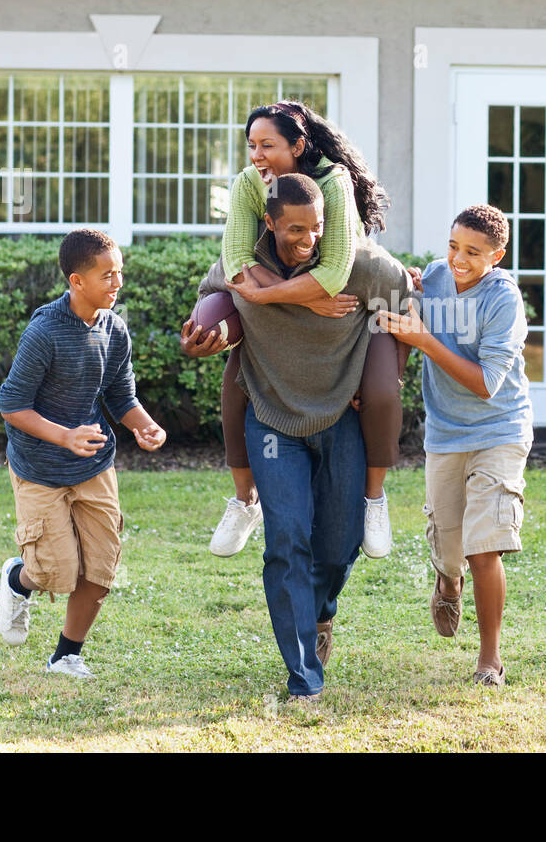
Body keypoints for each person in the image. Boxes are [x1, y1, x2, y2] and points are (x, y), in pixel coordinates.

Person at [182, 173, 418, 700]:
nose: (308, 239)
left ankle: (319, 616)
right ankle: (303, 676)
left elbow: (405, 309)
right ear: (268, 222)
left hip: (341, 418)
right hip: (271, 419)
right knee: (287, 539)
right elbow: (209, 307)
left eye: (317, 228)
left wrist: (383, 377)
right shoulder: (241, 264)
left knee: (336, 546)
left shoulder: (360, 263)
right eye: (294, 230)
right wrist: (201, 338)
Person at [205, 101, 403, 562]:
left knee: (380, 394)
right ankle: (243, 500)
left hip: (355, 293)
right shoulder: (249, 184)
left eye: (267, 145)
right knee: (236, 386)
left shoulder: (333, 182)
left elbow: (334, 273)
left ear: (298, 146)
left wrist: (265, 293)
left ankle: (375, 499)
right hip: (284, 294)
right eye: (251, 145)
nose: (256, 154)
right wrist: (272, 295)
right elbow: (237, 262)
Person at [0, 228, 167, 679]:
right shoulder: (45, 331)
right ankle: (19, 579)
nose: (118, 284)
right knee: (55, 571)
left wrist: (142, 425)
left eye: (120, 273)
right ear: (76, 281)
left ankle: (66, 655)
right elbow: (12, 405)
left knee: (102, 565)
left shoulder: (114, 328)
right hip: (40, 467)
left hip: (94, 464)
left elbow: (120, 394)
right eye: (107, 276)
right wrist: (65, 436)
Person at [378, 205, 533, 687]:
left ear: (498, 256)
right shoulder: (436, 278)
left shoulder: (503, 301)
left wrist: (423, 340)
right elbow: (399, 318)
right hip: (446, 433)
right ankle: (448, 580)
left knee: (485, 546)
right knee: (450, 546)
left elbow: (487, 383)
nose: (458, 259)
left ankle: (490, 660)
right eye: (453, 246)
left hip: (500, 429)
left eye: (473, 252)